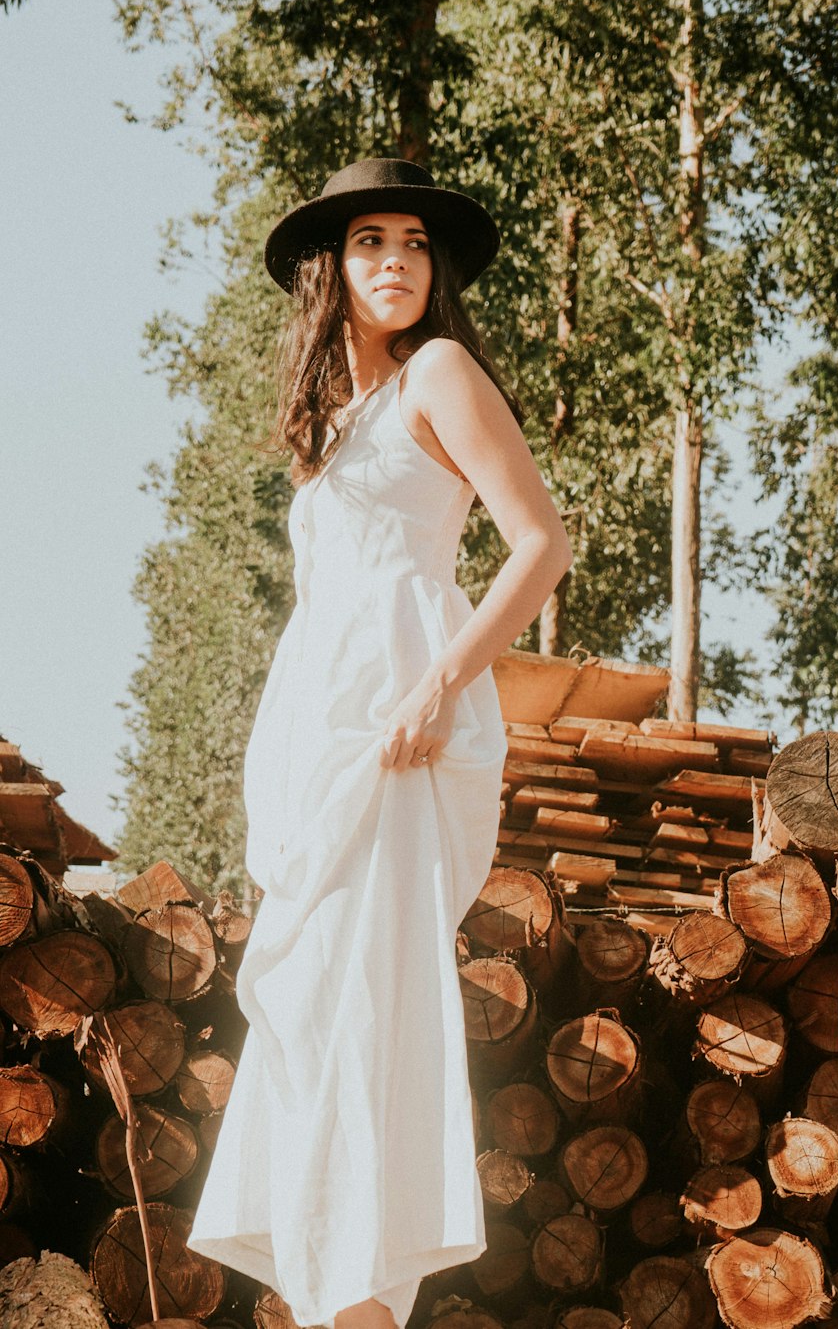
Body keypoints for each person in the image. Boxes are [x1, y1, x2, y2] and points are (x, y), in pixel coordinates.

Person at [187, 157, 574, 1329]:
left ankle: (361, 1308)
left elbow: (540, 544)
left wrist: (436, 688)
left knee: (367, 1018)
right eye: (369, 242)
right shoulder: (331, 424)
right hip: (322, 736)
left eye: (413, 242)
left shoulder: (439, 373)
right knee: (309, 1023)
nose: (396, 259)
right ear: (330, 269)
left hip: (401, 735)